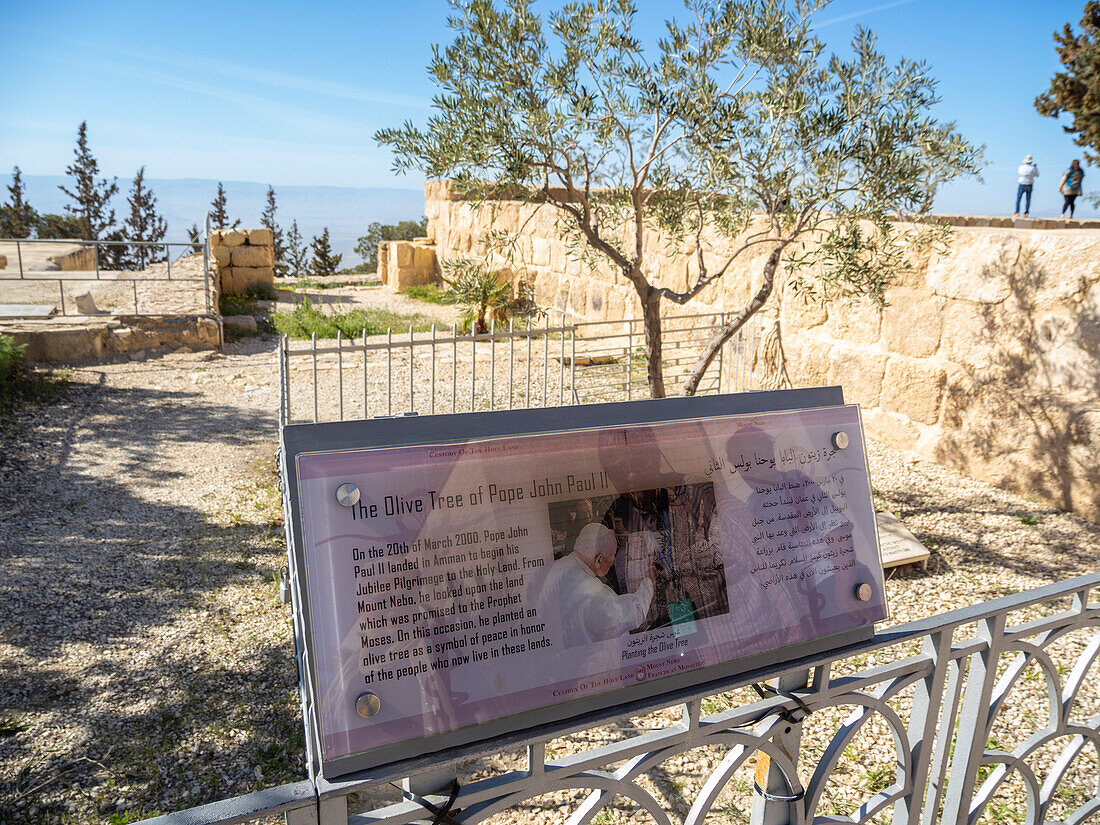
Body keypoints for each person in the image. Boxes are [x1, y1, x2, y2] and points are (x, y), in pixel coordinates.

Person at [542, 523, 656, 647]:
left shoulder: (553, 568)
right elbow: (634, 614)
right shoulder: (594, 594)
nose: (613, 561)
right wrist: (648, 582)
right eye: (613, 555)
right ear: (599, 559)